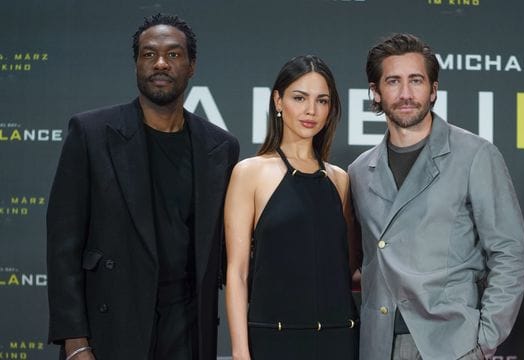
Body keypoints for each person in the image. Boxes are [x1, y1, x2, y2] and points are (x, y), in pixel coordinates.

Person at [46, 13, 239, 360]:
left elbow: (227, 249)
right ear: (136, 64)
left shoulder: (220, 148)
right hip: (112, 328)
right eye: (149, 54)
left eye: (174, 54)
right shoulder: (91, 134)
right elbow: (64, 245)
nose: (161, 63)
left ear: (192, 65)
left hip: (188, 328)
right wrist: (74, 342)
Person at [348, 33, 524, 360]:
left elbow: (511, 254)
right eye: (393, 81)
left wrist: (482, 343)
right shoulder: (360, 170)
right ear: (375, 92)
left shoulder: (475, 155)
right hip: (376, 343)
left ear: (433, 89)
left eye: (416, 80)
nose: (406, 93)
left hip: (450, 344)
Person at [224, 55, 358, 360]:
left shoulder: (340, 180)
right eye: (300, 98)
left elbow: (345, 266)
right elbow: (238, 272)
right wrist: (240, 352)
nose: (311, 110)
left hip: (338, 338)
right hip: (273, 338)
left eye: (322, 101)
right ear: (278, 101)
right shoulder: (250, 173)